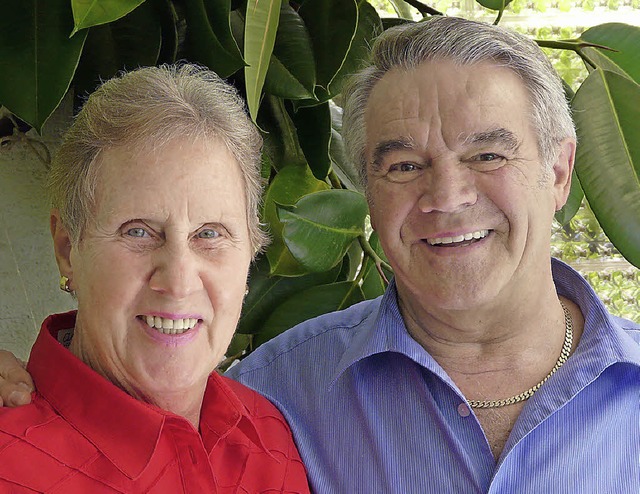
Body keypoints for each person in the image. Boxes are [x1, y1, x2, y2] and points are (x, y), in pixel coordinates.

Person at [1, 16, 639, 493]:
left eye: (487, 155)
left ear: (560, 173)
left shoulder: (258, 431)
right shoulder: (281, 394)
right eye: (405, 164)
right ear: (365, 189)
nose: (446, 195)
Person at [0, 64, 309, 492]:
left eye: (210, 234)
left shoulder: (274, 440)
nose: (179, 281)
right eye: (139, 232)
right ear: (69, 251)